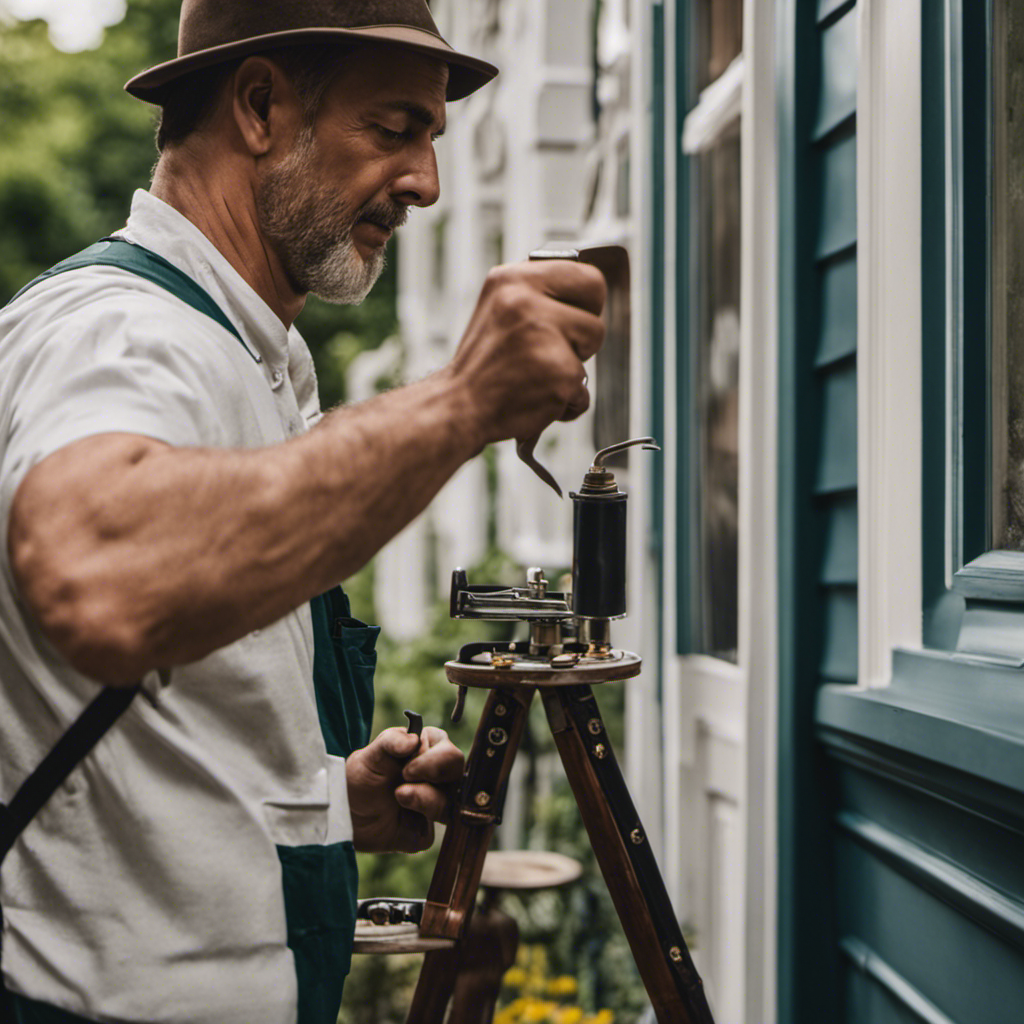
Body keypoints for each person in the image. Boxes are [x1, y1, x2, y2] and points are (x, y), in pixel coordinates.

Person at [0, 2, 606, 1022]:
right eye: (393, 128)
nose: (425, 183)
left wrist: (331, 797)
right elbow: (97, 578)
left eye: (431, 138)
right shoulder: (124, 334)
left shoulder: (241, 354)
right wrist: (461, 402)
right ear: (259, 106)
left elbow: (153, 731)